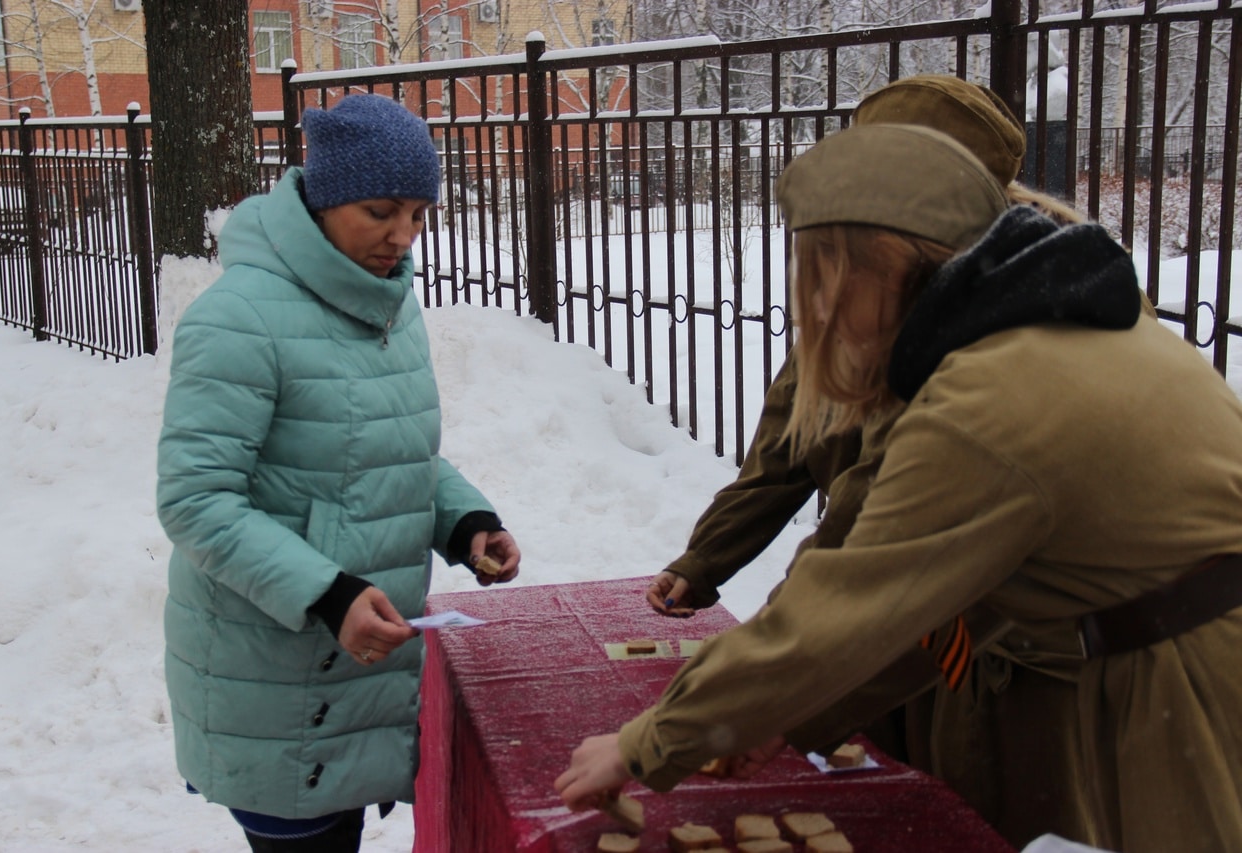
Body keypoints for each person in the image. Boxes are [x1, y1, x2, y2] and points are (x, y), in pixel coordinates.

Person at [557, 123, 1242, 853]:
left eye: (821, 281)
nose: (815, 313)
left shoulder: (988, 395)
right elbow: (948, 605)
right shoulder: (1031, 331)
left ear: (880, 267)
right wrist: (783, 715)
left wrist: (646, 743)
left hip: (1180, 684)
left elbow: (848, 600)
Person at [641, 75, 1142, 847]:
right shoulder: (863, 297)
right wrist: (706, 559)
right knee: (881, 807)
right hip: (889, 628)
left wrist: (753, 686)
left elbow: (863, 532)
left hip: (992, 654)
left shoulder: (1005, 332)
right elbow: (782, 452)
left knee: (976, 818)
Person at [156, 93, 521, 853]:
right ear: (323, 200)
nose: (403, 235)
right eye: (381, 210)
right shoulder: (241, 317)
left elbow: (390, 450)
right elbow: (196, 501)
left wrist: (466, 521)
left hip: (355, 670)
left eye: (419, 213)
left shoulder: (386, 302)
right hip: (278, 680)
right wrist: (330, 594)